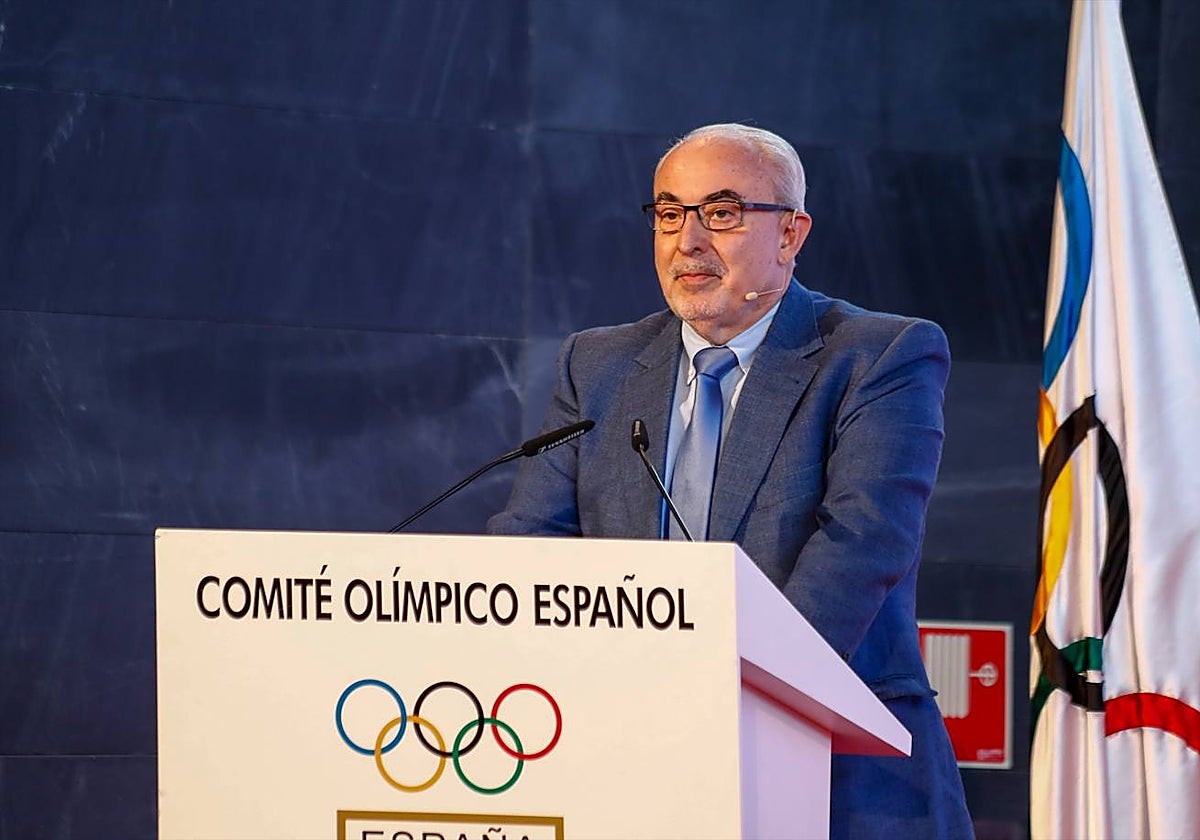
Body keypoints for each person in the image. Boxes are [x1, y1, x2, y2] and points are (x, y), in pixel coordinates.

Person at [488, 123, 973, 838]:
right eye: (669, 213)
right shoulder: (598, 365)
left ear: (790, 235)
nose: (688, 240)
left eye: (721, 213)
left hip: (840, 775)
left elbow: (863, 543)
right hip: (624, 768)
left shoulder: (877, 357)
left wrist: (697, 699)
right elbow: (532, 547)